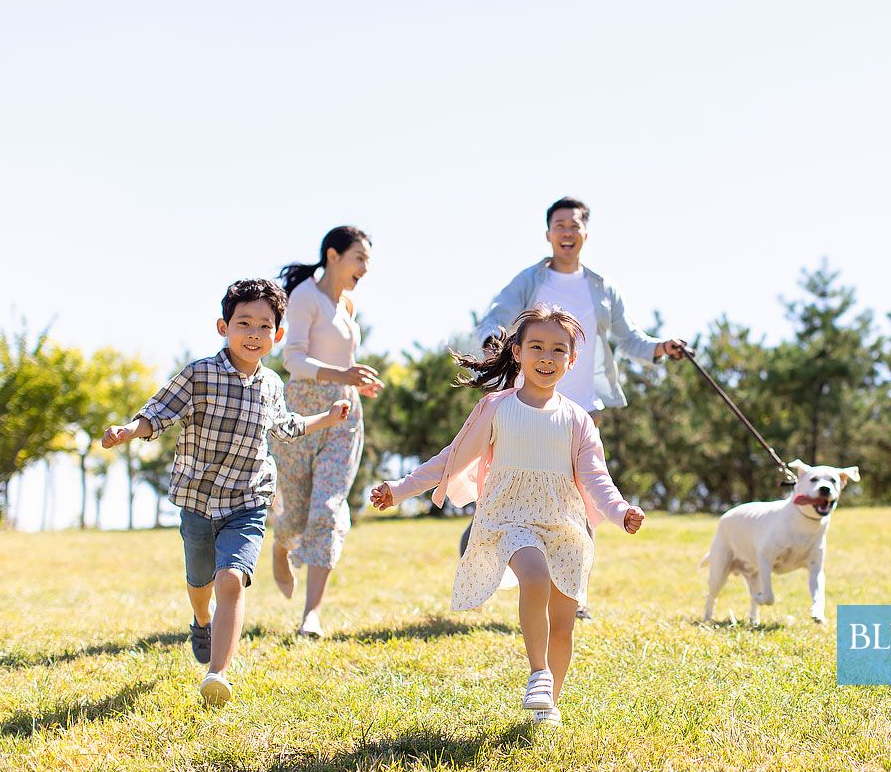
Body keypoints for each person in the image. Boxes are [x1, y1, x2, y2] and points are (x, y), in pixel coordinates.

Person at [370, 306, 644, 727]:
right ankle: (538, 672)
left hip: (564, 524)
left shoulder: (578, 419)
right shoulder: (497, 408)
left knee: (564, 623)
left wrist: (621, 510)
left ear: (572, 361)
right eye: (536, 347)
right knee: (533, 576)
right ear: (516, 352)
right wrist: (400, 489)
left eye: (558, 350)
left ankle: (549, 702)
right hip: (509, 517)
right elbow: (451, 457)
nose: (547, 357)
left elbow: (596, 477)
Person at [101, 279, 350, 705]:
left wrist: (326, 418)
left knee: (231, 579)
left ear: (278, 335)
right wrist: (129, 430)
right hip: (198, 499)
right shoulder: (199, 373)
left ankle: (217, 673)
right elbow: (159, 413)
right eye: (243, 323)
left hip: (248, 499)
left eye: (264, 326)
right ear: (223, 326)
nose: (253, 333)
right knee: (200, 582)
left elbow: (286, 426)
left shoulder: (271, 384)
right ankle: (202, 619)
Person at [471, 196, 683, 619]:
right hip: (532, 405)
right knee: (516, 485)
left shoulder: (602, 287)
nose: (567, 232)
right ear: (548, 234)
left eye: (575, 225)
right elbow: (495, 317)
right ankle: (490, 534)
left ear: (586, 234)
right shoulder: (530, 281)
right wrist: (495, 341)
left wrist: (661, 348)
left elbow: (629, 338)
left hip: (583, 407)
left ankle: (575, 593)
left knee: (583, 498)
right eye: (560, 225)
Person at [269, 226, 383, 638]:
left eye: (368, 261)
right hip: (299, 410)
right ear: (333, 255)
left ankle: (310, 615)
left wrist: (355, 384)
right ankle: (281, 546)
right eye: (360, 258)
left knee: (329, 507)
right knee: (295, 513)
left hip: (343, 414)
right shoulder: (305, 298)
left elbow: (342, 361)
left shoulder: (347, 304)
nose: (365, 269)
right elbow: (292, 359)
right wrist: (342, 373)